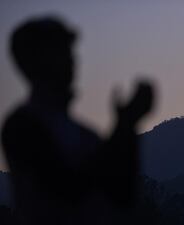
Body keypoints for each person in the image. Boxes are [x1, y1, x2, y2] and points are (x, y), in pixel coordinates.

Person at [1, 16, 154, 225]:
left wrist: (128, 126)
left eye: (68, 51)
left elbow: (122, 195)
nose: (71, 59)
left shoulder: (84, 133)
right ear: (34, 62)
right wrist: (123, 127)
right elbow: (68, 186)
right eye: (59, 51)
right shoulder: (21, 126)